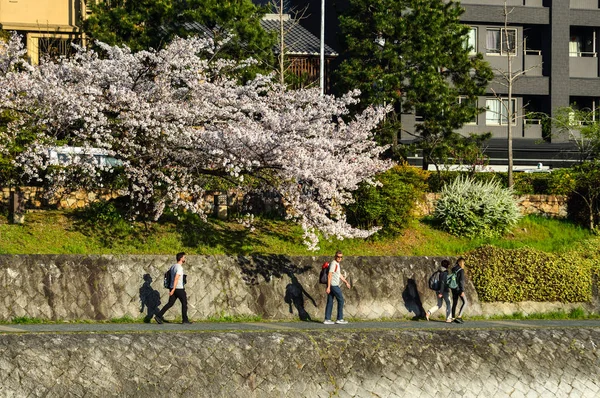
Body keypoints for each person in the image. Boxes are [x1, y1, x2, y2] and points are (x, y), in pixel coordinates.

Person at [156, 252, 190, 324]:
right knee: (184, 303)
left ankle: (158, 316)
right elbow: (176, 278)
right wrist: (174, 289)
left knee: (170, 303)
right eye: (184, 257)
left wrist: (172, 289)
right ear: (181, 259)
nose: (185, 259)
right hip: (179, 288)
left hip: (172, 287)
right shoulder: (179, 268)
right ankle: (185, 320)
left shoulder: (173, 266)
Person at [323, 250, 351, 325]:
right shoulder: (333, 264)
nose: (339, 258)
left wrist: (346, 282)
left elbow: (339, 275)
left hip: (332, 285)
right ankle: (339, 318)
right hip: (333, 285)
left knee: (330, 301)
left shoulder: (337, 264)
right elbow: (329, 275)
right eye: (338, 257)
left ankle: (327, 319)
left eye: (341, 257)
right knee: (341, 300)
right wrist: (328, 287)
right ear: (335, 256)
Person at [450, 257, 468, 324]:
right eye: (464, 263)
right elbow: (461, 281)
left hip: (453, 288)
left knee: (454, 303)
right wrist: (462, 290)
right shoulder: (461, 270)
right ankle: (459, 316)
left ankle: (453, 317)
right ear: (462, 263)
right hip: (459, 289)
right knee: (465, 302)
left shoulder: (454, 269)